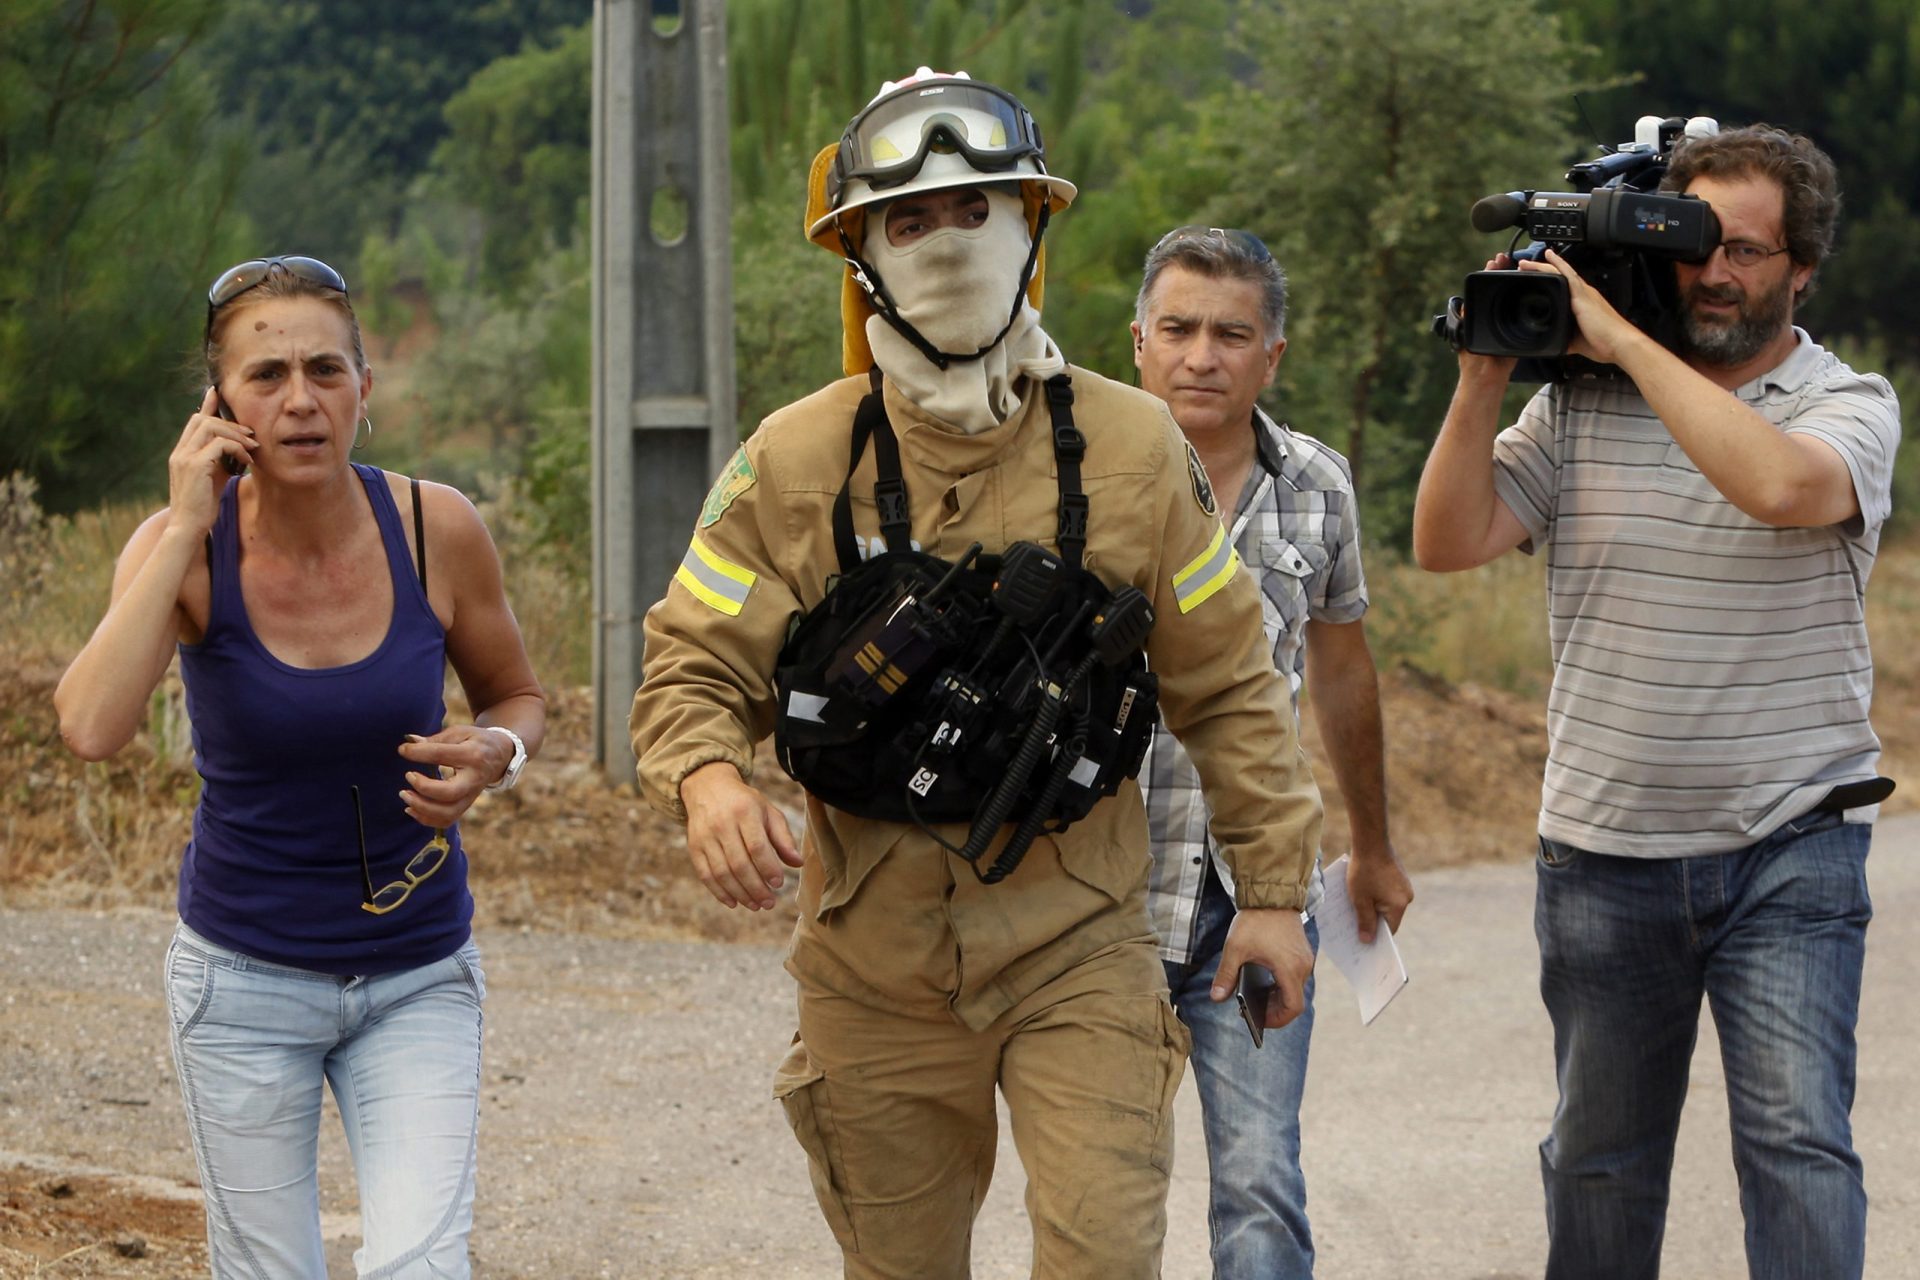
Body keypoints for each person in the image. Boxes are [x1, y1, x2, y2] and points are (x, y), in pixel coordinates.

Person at [630, 69, 1324, 1279]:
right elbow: (693, 654)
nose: (946, 243)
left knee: (1105, 1253)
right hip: (874, 963)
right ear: (861, 256)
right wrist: (706, 778)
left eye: (975, 213)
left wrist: (1271, 888)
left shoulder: (1133, 445)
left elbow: (1229, 681)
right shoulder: (796, 458)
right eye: (909, 221)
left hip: (1081, 942)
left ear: (1032, 227)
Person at [1412, 125, 1898, 1280]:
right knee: (1597, 1158)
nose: (1714, 272)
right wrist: (1487, 369)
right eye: (1690, 245)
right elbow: (1446, 540)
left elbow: (1782, 486)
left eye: (1744, 249)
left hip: (1792, 839)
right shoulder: (1578, 406)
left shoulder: (1846, 400)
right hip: (1604, 845)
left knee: (1796, 1146)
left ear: (1802, 268)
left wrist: (1622, 337)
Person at [54, 255, 546, 1278]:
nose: (300, 399)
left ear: (366, 388)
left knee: (420, 1262)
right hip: (241, 981)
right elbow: (93, 724)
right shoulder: (181, 548)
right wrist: (187, 517)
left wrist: (498, 753)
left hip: (417, 972)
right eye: (266, 375)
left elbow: (517, 698)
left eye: (326, 369)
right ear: (220, 404)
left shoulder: (434, 525)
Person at [1132, 225, 1413, 1276]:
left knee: (1259, 1174)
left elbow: (1342, 670)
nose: (1203, 354)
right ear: (1139, 342)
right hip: (1103, 892)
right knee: (1105, 1184)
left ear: (1273, 355)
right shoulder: (1078, 480)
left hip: (1254, 897)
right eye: (1180, 328)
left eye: (1231, 333)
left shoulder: (1319, 486)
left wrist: (1374, 847)